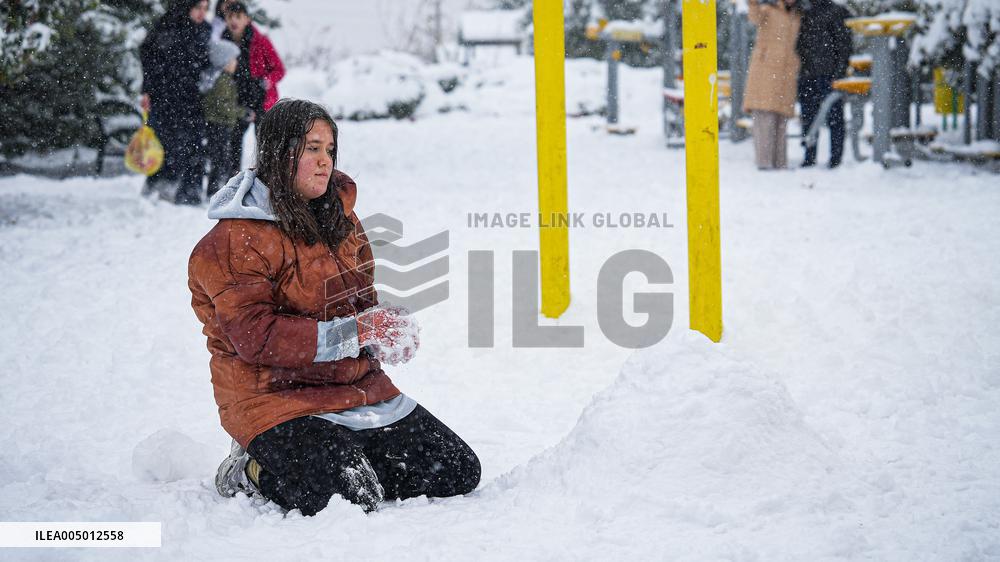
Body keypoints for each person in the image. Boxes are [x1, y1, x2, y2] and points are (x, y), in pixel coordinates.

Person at [188, 99, 481, 515]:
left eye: (329, 149)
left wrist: (384, 332)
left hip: (354, 389)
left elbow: (360, 303)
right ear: (277, 152)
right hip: (273, 400)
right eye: (311, 148)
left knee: (456, 471)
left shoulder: (341, 220)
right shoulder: (234, 241)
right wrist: (358, 332)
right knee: (349, 497)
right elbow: (258, 338)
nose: (325, 161)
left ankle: (338, 457)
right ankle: (252, 468)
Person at [140, 0, 211, 205]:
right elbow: (150, 59)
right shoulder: (167, 25)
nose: (201, 13)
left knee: (193, 144)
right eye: (198, 8)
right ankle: (161, 187)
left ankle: (190, 191)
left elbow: (206, 61)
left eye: (205, 9)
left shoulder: (204, 30)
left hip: (192, 98)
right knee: (166, 143)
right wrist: (147, 90)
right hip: (165, 97)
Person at [221, 1, 286, 177]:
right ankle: (232, 179)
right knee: (233, 141)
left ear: (247, 19)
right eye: (230, 17)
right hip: (237, 100)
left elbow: (279, 69)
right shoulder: (223, 41)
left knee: (264, 143)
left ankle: (267, 178)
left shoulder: (261, 41)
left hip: (262, 99)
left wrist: (266, 81)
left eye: (238, 17)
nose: (234, 21)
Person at [743, 0, 802, 170]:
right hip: (765, 72)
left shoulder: (797, 15)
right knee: (764, 118)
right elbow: (754, 17)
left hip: (786, 73)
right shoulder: (768, 10)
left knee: (781, 120)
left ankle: (780, 162)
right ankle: (764, 162)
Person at [796, 0, 853, 168]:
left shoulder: (835, 11)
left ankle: (835, 157)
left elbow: (844, 44)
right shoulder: (804, 11)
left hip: (828, 74)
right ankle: (810, 155)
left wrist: (839, 72)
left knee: (834, 117)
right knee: (809, 117)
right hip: (808, 73)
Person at [200, 40, 247, 197]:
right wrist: (241, 112)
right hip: (219, 124)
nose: (235, 63)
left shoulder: (222, 78)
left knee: (220, 159)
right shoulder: (222, 80)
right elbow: (223, 105)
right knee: (220, 159)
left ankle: (215, 190)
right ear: (224, 61)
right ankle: (215, 191)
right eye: (233, 60)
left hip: (220, 124)